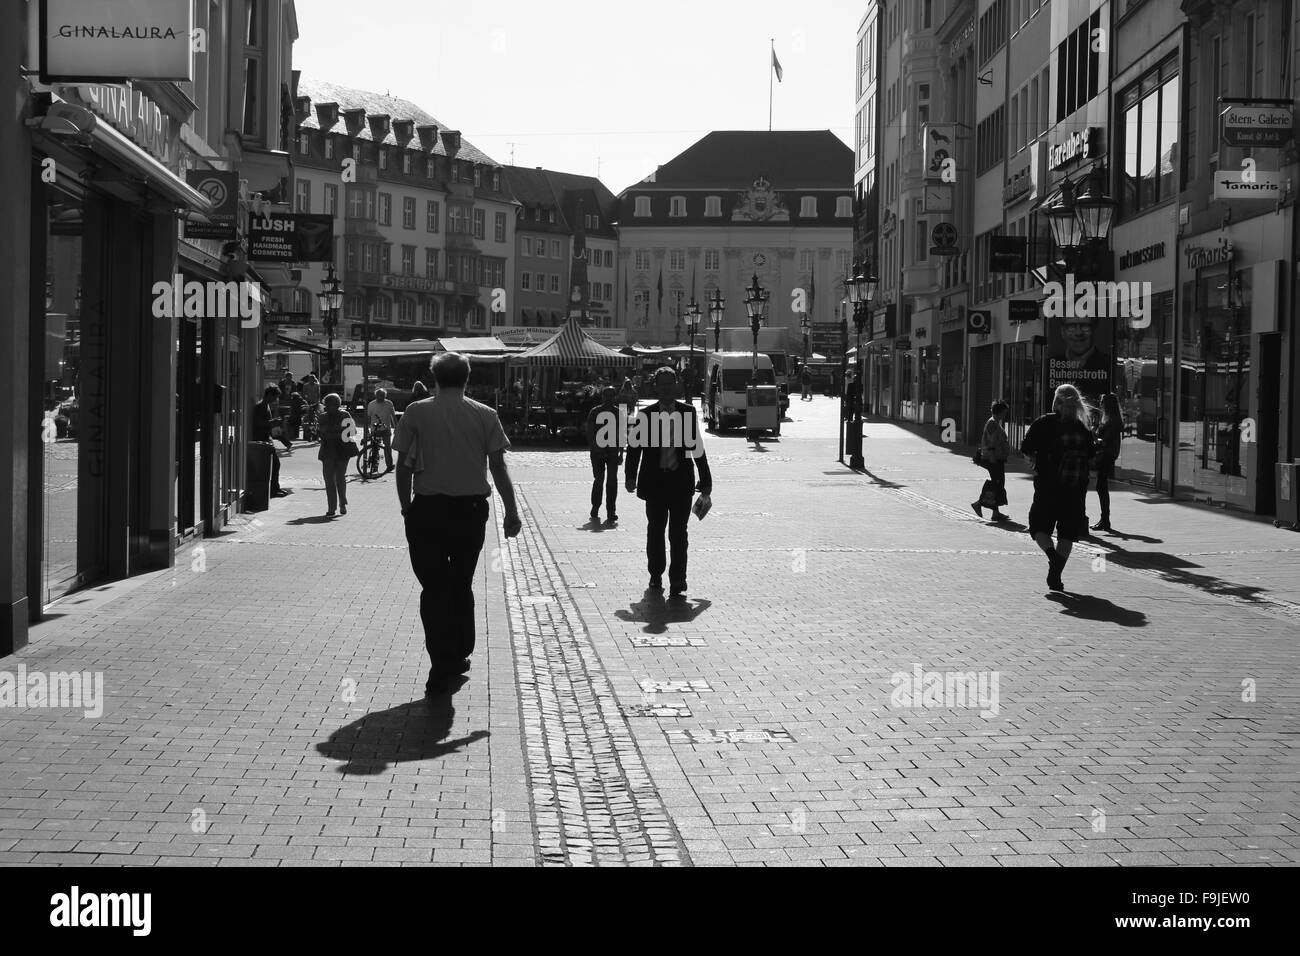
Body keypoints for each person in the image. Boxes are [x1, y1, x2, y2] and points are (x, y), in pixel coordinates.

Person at [394, 353, 522, 697]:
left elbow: (403, 468)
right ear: (467, 378)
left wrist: (407, 508)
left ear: (434, 377)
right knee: (461, 582)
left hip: (429, 510)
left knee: (434, 588)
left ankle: (442, 660)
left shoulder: (416, 412)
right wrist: (511, 511)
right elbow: (498, 466)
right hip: (470, 511)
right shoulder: (485, 414)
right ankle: (461, 650)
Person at [625, 366, 713, 599]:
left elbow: (697, 447)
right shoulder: (646, 415)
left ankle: (678, 579)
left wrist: (706, 479)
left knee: (678, 533)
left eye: (669, 384)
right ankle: (656, 573)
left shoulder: (687, 412)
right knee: (655, 531)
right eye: (661, 384)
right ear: (656, 387)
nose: (665, 389)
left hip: (680, 482)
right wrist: (630, 475)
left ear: (676, 386)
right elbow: (634, 449)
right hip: (654, 483)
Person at [1020, 384, 1097, 591]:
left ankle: (1052, 558)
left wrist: (1035, 460)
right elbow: (1091, 455)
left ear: (1056, 401)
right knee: (1067, 533)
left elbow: (1025, 448)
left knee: (1038, 527)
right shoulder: (1082, 427)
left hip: (1048, 486)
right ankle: (1055, 575)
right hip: (1075, 489)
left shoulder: (1044, 422)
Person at [586, 386, 623, 524]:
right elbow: (590, 433)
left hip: (613, 451)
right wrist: (596, 449)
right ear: (602, 397)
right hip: (597, 452)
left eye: (611, 395)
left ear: (615, 397)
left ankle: (611, 510)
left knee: (612, 481)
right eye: (606, 395)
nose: (608, 398)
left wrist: (621, 453)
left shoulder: (619, 412)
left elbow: (622, 434)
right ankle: (595, 506)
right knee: (599, 479)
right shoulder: (595, 412)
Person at [317, 394, 356, 517]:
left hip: (342, 451)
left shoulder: (345, 415)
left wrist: (333, 432)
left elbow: (352, 431)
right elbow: (322, 433)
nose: (328, 408)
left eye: (331, 405)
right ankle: (331, 507)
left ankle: (342, 503)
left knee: (339, 477)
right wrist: (339, 431)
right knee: (329, 480)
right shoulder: (323, 417)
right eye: (327, 405)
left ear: (337, 405)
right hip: (328, 451)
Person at [972, 399, 1011, 522]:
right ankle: (979, 504)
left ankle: (995, 513)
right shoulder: (992, 423)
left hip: (997, 458)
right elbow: (991, 442)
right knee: (997, 483)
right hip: (993, 458)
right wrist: (993, 456)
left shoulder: (995, 423)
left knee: (998, 483)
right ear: (999, 411)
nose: (1005, 414)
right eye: (1004, 412)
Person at [1091, 392, 1124, 533]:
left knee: (1101, 487)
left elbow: (1105, 442)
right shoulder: (1112, 419)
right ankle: (1104, 519)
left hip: (1106, 456)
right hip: (1108, 455)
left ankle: (1105, 520)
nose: (1100, 405)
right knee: (1101, 486)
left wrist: (1094, 435)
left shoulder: (1111, 422)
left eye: (1102, 403)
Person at [251, 386, 288, 497]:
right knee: (275, 465)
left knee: (274, 465)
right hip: (261, 440)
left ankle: (274, 488)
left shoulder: (265, 406)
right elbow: (259, 423)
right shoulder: (260, 406)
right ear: (269, 395)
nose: (275, 399)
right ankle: (274, 489)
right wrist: (273, 422)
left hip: (266, 439)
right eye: (275, 397)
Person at [366, 387, 397, 473]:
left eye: (382, 396)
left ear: (385, 396)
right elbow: (368, 418)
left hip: (386, 428)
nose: (381, 397)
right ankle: (374, 466)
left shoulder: (389, 403)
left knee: (387, 448)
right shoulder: (371, 404)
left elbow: (393, 416)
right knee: (375, 448)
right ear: (376, 395)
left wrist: (396, 427)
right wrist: (367, 430)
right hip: (375, 429)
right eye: (379, 395)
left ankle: (389, 465)